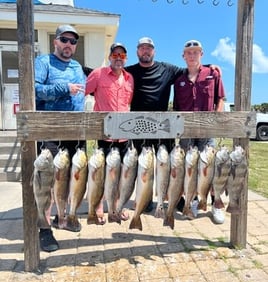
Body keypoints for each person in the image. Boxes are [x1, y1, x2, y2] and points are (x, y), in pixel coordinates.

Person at [125, 37, 221, 212]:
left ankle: (174, 198)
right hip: (138, 126)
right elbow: (111, 72)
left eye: (149, 48)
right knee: (143, 166)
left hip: (163, 126)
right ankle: (145, 201)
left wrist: (210, 66)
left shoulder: (168, 69)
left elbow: (192, 67)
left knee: (168, 164)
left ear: (154, 51)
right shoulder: (128, 71)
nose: (146, 51)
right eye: (142, 48)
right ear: (137, 51)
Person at [35, 24, 86, 252]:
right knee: (47, 181)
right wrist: (64, 88)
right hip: (50, 130)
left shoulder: (77, 66)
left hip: (76, 131)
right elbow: (34, 89)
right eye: (64, 40)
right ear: (55, 41)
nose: (68, 45)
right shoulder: (43, 62)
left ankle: (62, 217)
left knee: (71, 179)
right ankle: (44, 229)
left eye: (73, 41)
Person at [173, 39, 225, 223]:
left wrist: (215, 121)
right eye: (189, 52)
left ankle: (217, 204)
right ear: (183, 56)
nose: (192, 55)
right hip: (187, 132)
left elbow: (220, 99)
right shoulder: (178, 80)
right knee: (190, 168)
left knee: (210, 168)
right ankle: (193, 200)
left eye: (196, 52)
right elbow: (177, 108)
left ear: (201, 54)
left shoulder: (213, 74)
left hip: (207, 130)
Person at [85, 42, 134, 223]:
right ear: (109, 57)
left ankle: (117, 206)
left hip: (124, 136)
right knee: (101, 173)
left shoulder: (129, 78)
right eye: (115, 55)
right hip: (105, 134)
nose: (118, 58)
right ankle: (98, 206)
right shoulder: (98, 74)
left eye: (122, 56)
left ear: (125, 59)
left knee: (121, 174)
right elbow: (82, 92)